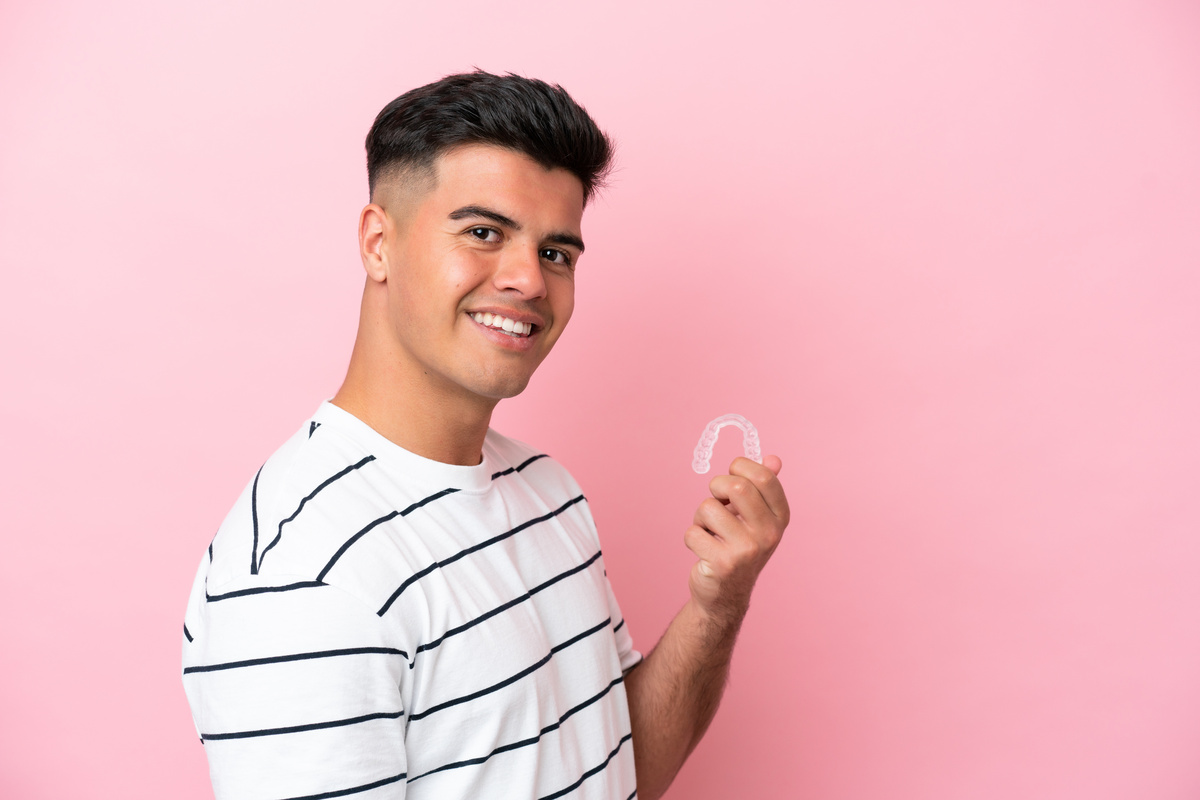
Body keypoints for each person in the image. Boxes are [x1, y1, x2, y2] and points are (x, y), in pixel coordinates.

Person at [182, 71, 789, 800]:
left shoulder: (546, 490)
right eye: (483, 233)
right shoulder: (301, 572)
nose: (529, 280)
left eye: (557, 252)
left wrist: (717, 606)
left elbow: (621, 769)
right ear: (378, 243)